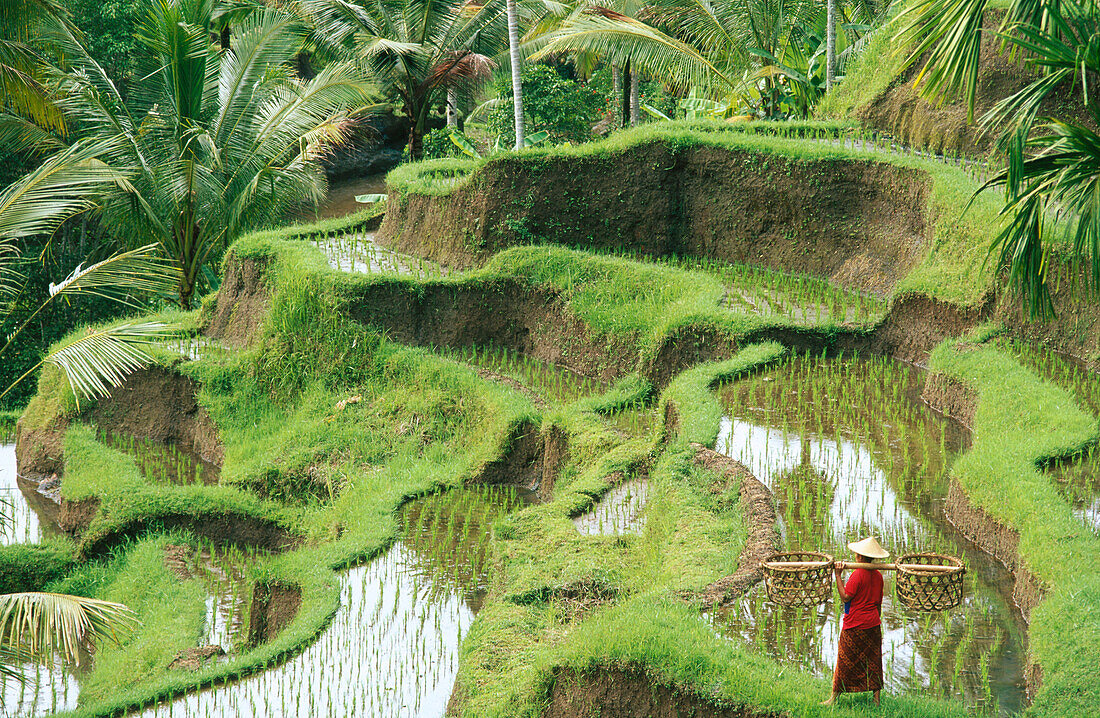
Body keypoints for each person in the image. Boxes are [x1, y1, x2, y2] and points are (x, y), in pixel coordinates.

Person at [822, 536, 888, 707]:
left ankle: (834, 698)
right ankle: (876, 700)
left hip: (855, 625)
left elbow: (845, 597)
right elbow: (878, 603)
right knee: (873, 661)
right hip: (873, 624)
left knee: (844, 661)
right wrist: (877, 621)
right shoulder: (879, 576)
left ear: (859, 557)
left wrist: (837, 575)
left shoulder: (857, 574)